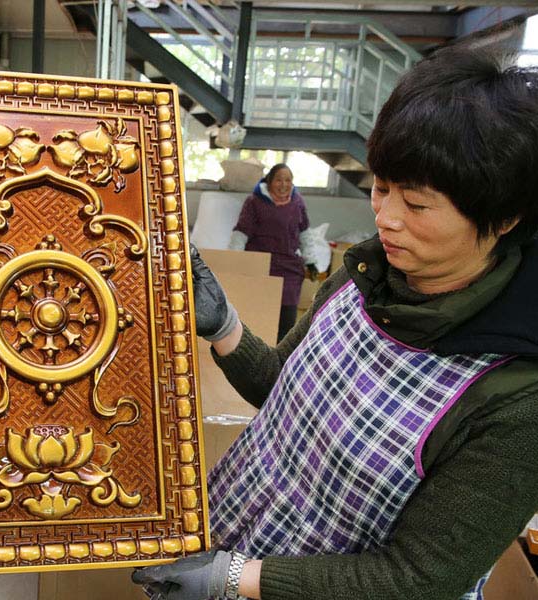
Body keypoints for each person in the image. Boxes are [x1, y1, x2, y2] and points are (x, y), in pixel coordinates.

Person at [133, 46, 538, 600]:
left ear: (504, 217)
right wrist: (224, 326)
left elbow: (418, 579)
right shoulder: (366, 277)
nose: (386, 218)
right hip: (229, 546)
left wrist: (234, 578)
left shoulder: (515, 393)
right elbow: (284, 388)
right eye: (380, 188)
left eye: (417, 205)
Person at [229, 163, 312, 341]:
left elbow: (305, 232)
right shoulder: (254, 201)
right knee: (259, 314)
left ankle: (281, 356)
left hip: (289, 268)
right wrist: (234, 260)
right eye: (279, 180)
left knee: (286, 320)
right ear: (269, 182)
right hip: (262, 265)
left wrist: (311, 260)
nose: (284, 184)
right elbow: (241, 232)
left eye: (288, 180)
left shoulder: (297, 202)